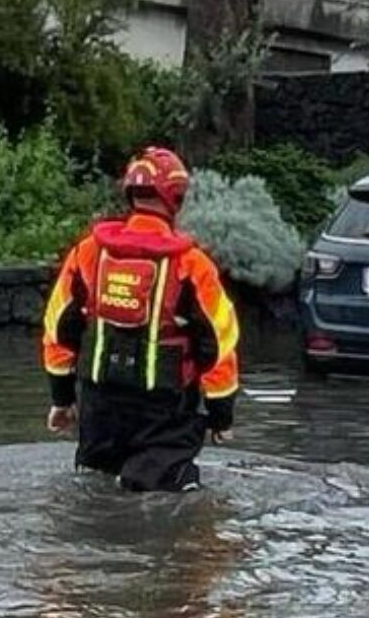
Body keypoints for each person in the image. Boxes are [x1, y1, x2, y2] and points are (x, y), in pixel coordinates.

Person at [43, 146, 240, 492]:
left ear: (130, 192)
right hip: (164, 412)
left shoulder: (88, 252)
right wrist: (221, 415)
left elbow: (58, 328)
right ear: (175, 197)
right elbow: (219, 346)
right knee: (167, 495)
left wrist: (62, 399)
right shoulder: (192, 264)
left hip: (99, 408)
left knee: (94, 491)